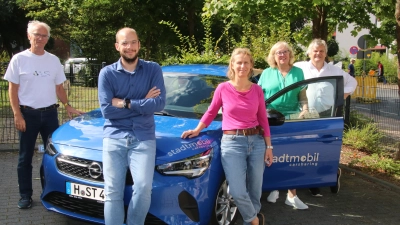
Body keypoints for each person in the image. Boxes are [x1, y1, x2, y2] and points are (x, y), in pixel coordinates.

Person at [181, 48, 272, 225]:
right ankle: (255, 221)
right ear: (232, 64)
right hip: (232, 143)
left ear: (251, 65)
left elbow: (263, 119)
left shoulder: (257, 90)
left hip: (257, 142)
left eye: (246, 62)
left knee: (255, 190)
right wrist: (198, 129)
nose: (242, 66)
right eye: (239, 62)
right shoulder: (223, 88)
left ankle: (250, 223)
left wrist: (269, 146)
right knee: (237, 190)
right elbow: (211, 111)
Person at [4, 20, 84, 209]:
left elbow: (59, 87)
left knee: (54, 156)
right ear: (29, 36)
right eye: (36, 35)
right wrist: (17, 114)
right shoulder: (19, 59)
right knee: (25, 158)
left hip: (50, 115)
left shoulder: (53, 60)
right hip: (27, 115)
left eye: (44, 35)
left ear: (48, 38)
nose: (40, 38)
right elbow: (12, 89)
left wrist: (67, 105)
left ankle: (52, 193)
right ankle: (25, 195)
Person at [97, 27, 166, 225]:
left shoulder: (153, 69)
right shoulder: (107, 74)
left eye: (133, 42)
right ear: (117, 46)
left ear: (139, 44)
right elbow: (107, 111)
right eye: (125, 43)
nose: (130, 47)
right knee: (112, 191)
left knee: (144, 188)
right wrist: (143, 102)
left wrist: (126, 102)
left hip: (143, 136)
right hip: (115, 136)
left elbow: (159, 104)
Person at [295, 38, 357, 197]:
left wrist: (342, 96)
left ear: (326, 53)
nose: (318, 54)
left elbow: (352, 82)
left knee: (324, 148)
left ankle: (331, 175)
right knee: (307, 148)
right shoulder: (299, 67)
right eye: (315, 51)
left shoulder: (334, 70)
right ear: (309, 52)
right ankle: (312, 181)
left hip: (326, 115)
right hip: (305, 113)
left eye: (321, 51)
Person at [258, 41, 308, 210]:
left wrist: (305, 108)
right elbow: (259, 97)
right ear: (273, 56)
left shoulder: (298, 72)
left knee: (292, 155)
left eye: (285, 52)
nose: (282, 55)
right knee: (272, 152)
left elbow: (302, 94)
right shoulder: (267, 73)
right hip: (270, 117)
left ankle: (292, 195)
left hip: (292, 116)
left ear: (290, 54)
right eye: (278, 52)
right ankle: (273, 186)